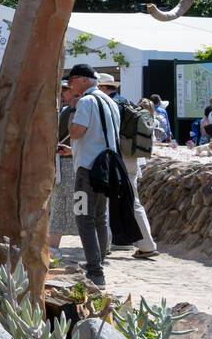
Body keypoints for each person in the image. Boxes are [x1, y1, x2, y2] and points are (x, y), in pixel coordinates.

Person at [67, 64, 123, 287]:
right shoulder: (110, 101)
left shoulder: (86, 101)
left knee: (83, 217)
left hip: (87, 168)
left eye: (71, 82)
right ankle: (98, 262)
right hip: (108, 166)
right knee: (101, 216)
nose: (70, 87)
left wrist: (71, 111)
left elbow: (77, 131)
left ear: (81, 80)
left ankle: (95, 270)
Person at [97, 73, 159, 260]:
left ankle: (102, 245)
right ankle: (147, 245)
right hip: (131, 157)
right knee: (133, 201)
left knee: (104, 199)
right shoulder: (127, 103)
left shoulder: (108, 104)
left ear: (102, 87)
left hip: (115, 157)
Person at [48, 79, 78, 256]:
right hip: (68, 160)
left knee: (65, 202)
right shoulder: (68, 110)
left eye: (65, 90)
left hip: (67, 161)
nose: (63, 94)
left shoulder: (70, 111)